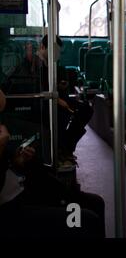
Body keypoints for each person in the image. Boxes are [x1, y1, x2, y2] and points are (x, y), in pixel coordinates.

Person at [0, 89, 105, 237]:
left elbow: (9, 168)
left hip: (26, 191)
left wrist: (18, 161)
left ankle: (66, 155)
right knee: (87, 221)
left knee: (95, 203)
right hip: (12, 211)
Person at [36, 35, 94, 170]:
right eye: (54, 51)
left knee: (86, 109)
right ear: (43, 48)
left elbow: (53, 85)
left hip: (57, 98)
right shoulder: (36, 65)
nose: (56, 55)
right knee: (61, 114)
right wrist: (57, 99)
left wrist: (61, 86)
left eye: (58, 52)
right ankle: (61, 150)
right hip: (44, 102)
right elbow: (37, 88)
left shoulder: (54, 65)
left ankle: (67, 147)